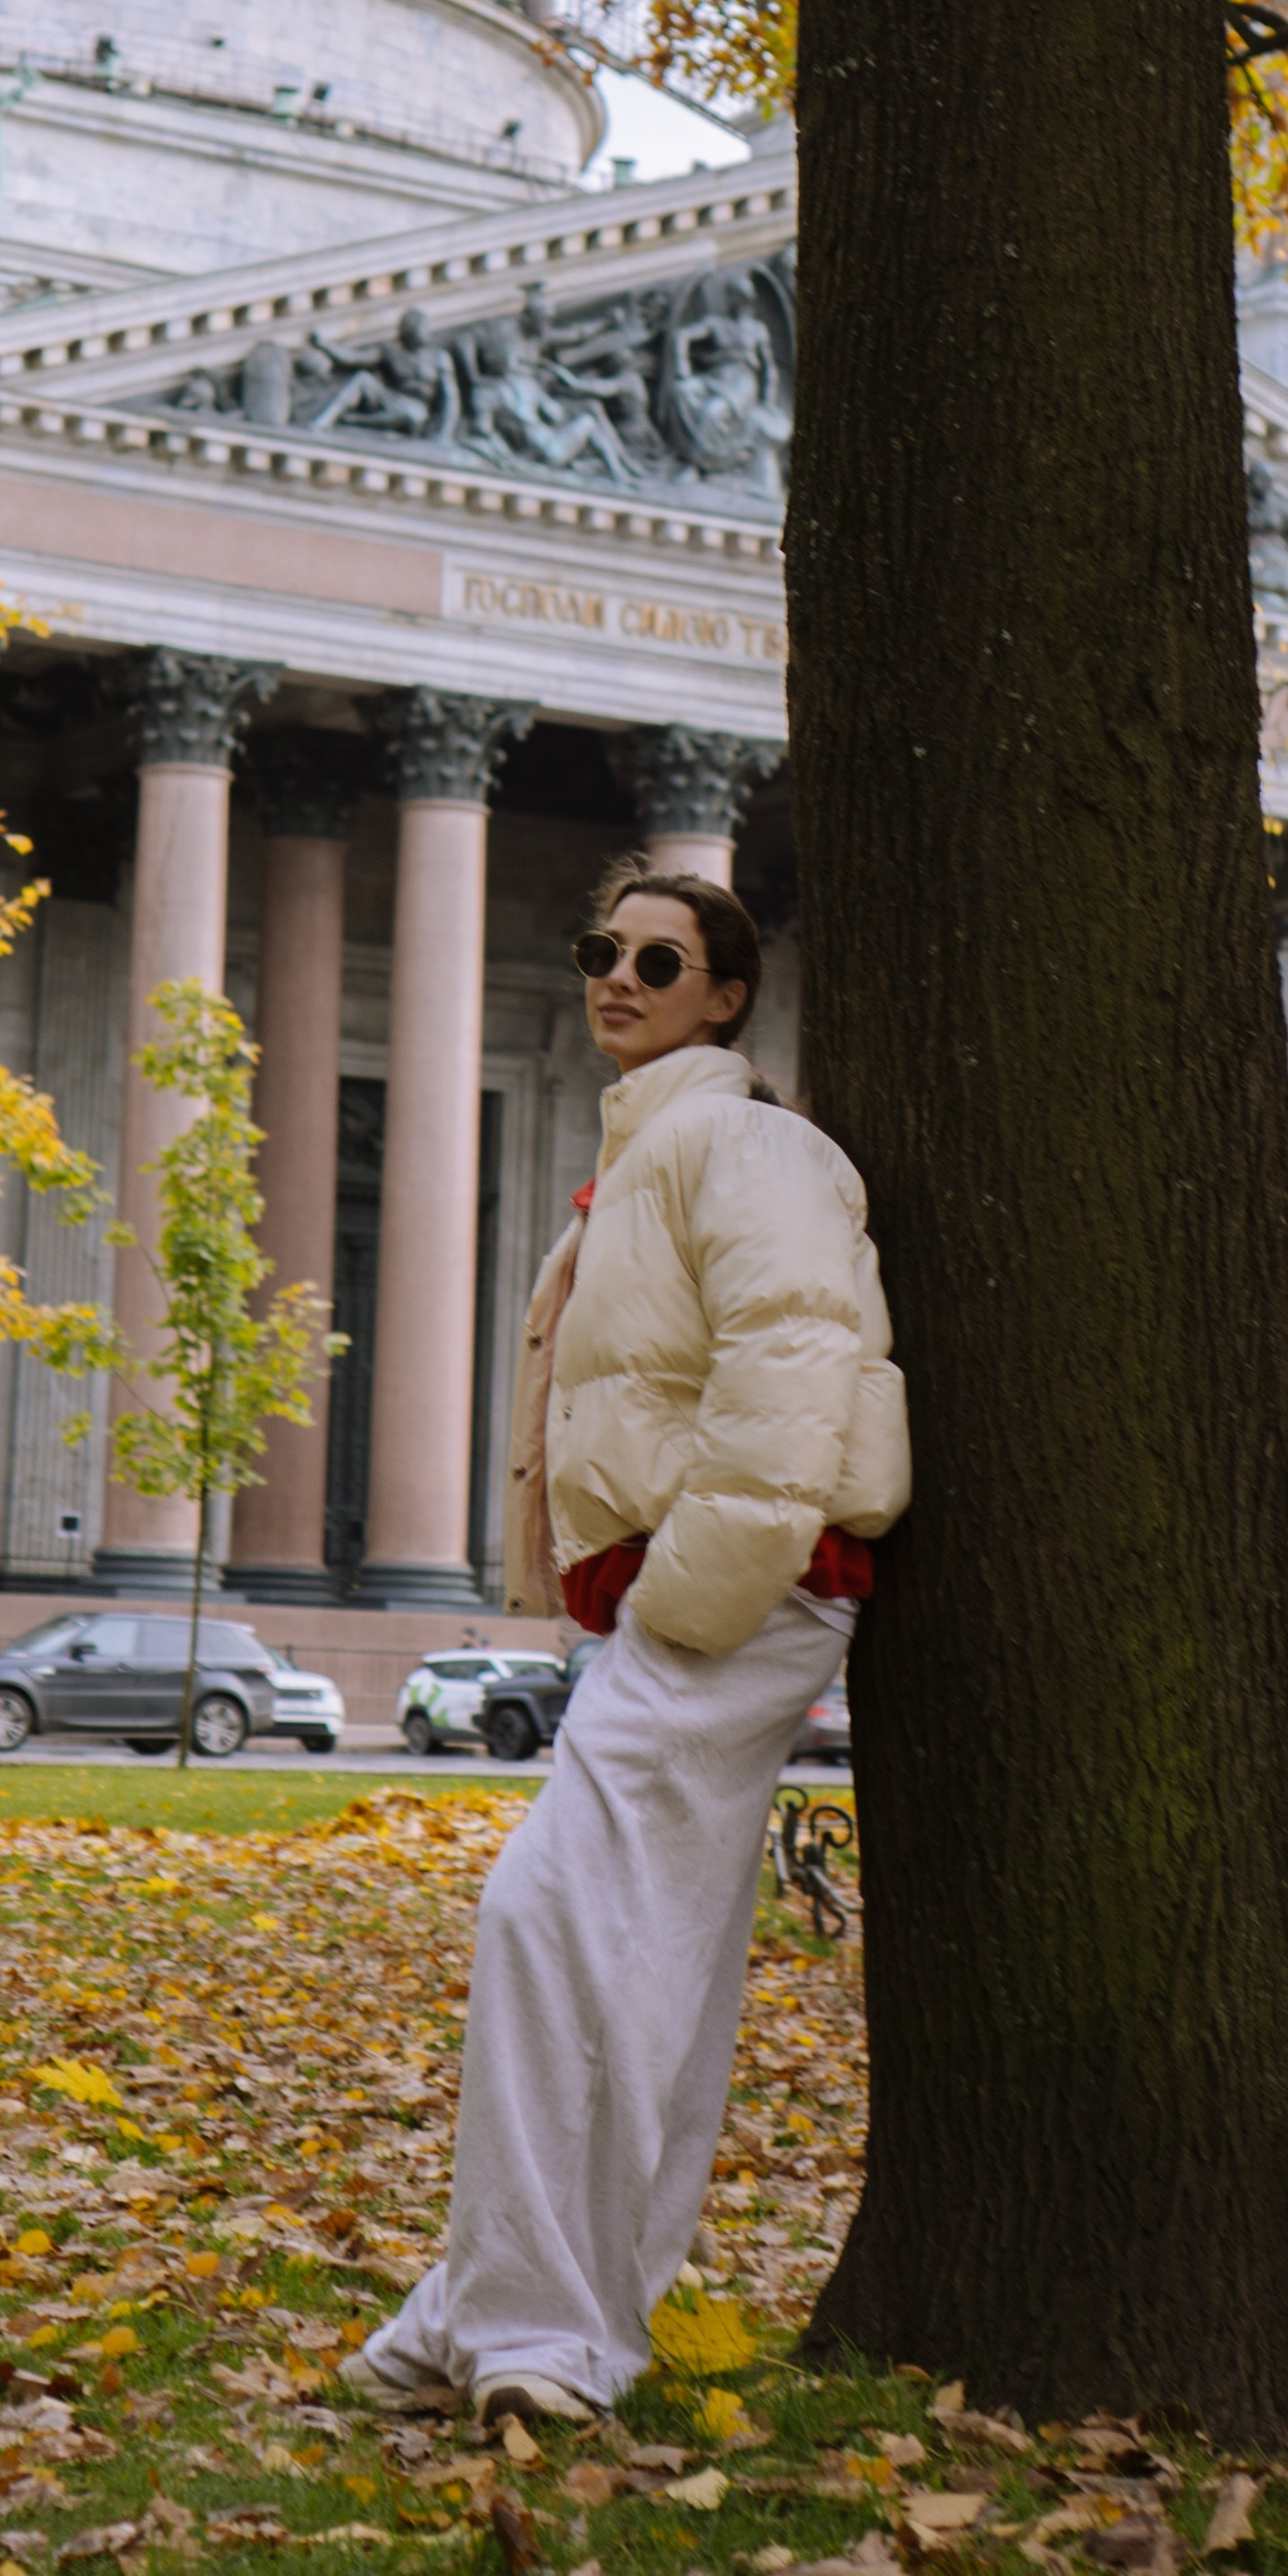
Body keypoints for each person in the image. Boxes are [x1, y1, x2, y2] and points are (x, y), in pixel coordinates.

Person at [345, 857, 910, 2425]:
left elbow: (793, 1368)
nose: (619, 979)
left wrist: (685, 1599)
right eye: (603, 950)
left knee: (541, 1926)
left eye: (659, 963)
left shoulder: (746, 1141)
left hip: (731, 1595)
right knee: (642, 1971)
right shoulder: (652, 1152)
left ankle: (529, 2333)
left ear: (726, 995)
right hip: (698, 1595)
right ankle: (503, 2313)